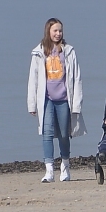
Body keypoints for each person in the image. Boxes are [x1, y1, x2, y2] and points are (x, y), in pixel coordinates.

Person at [27, 18, 85, 182]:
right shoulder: (39, 52)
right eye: (55, 31)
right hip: (46, 100)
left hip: (64, 99)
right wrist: (32, 104)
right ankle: (49, 170)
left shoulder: (68, 51)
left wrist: (76, 104)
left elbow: (76, 78)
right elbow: (33, 79)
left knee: (64, 134)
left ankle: (65, 166)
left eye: (60, 31)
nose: (58, 34)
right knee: (47, 133)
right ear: (48, 31)